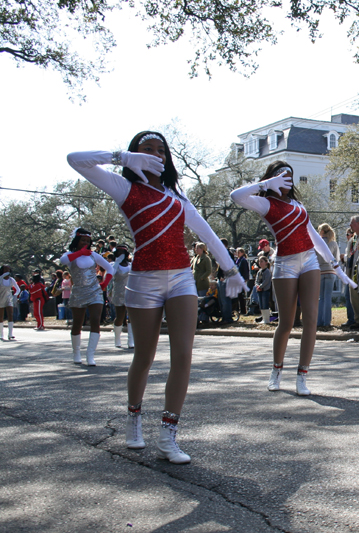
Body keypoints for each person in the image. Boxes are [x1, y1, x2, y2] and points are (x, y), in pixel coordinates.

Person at [67, 131, 246, 464]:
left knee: (183, 356)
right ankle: (134, 420)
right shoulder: (124, 188)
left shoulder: (177, 196)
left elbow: (206, 231)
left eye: (160, 150)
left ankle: (168, 435)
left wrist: (231, 270)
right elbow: (75, 160)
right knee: (145, 357)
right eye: (146, 149)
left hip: (181, 278)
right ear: (135, 154)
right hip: (143, 281)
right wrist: (121, 157)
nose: (155, 155)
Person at [230, 161, 355, 396]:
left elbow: (315, 238)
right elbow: (236, 196)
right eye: (281, 175)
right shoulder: (266, 203)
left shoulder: (298, 205)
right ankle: (276, 370)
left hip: (308, 261)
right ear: (272, 179)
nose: (286, 179)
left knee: (311, 319)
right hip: (285, 263)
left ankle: (302, 375)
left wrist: (335, 265)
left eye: (289, 175)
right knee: (286, 324)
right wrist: (267, 184)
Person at [60, 228, 115, 365]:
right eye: (83, 240)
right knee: (78, 323)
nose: (85, 243)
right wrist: (79, 253)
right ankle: (76, 353)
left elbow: (110, 268)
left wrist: (104, 283)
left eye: (88, 241)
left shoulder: (93, 255)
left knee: (95, 320)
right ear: (77, 241)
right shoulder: (70, 255)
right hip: (78, 292)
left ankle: (90, 355)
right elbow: (62, 260)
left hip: (95, 291)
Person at [316, 223, 339, 328]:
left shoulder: (316, 243)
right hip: (330, 271)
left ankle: (319, 321)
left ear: (321, 231)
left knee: (321, 298)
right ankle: (327, 322)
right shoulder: (333, 243)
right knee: (328, 297)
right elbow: (336, 259)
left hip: (320, 271)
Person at [111, 245, 134, 349]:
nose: (121, 254)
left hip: (130, 292)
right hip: (119, 293)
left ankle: (131, 341)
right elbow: (111, 274)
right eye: (119, 252)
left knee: (132, 317)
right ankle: (117, 339)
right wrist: (117, 261)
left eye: (123, 253)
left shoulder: (130, 264)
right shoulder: (114, 265)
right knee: (120, 317)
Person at [341, 228, 357, 327]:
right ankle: (350, 318)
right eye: (346, 234)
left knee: (351, 297)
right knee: (347, 297)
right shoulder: (348, 246)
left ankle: (353, 319)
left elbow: (352, 257)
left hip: (352, 275)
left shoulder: (354, 244)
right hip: (347, 274)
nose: (347, 236)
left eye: (348, 234)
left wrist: (345, 257)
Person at [1, 266, 20, 340]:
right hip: (0, 298)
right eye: (5, 269)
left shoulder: (11, 280)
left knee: (10, 315)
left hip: (8, 298)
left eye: (8, 269)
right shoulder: (0, 279)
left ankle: (10, 334)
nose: (7, 271)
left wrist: (15, 295)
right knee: (1, 317)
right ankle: (1, 334)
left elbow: (17, 289)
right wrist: (2, 276)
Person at [254, 256, 273, 324]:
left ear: (266, 262)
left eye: (262, 261)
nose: (260, 263)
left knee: (265, 304)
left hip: (265, 290)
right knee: (261, 304)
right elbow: (256, 281)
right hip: (259, 291)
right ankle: (263, 318)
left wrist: (261, 286)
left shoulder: (267, 271)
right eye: (259, 261)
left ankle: (267, 319)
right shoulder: (259, 271)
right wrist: (257, 286)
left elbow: (266, 281)